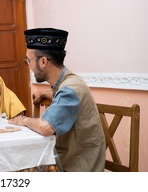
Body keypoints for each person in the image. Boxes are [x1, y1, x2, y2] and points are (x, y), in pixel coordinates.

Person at [8, 28, 106, 172]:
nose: (29, 66)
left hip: (78, 168)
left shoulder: (70, 89)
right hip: (69, 160)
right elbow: (64, 95)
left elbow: (45, 127)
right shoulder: (67, 83)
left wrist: (24, 120)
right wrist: (47, 94)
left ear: (42, 62)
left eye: (28, 61)